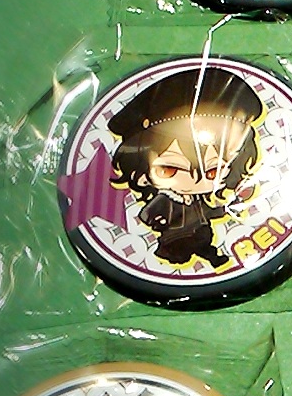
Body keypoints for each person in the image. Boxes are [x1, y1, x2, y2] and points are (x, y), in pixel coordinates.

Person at [108, 67, 263, 268]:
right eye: (169, 170)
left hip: (201, 234)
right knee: (178, 253)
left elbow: (210, 211)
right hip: (175, 239)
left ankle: (209, 255)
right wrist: (158, 221)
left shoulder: (198, 200)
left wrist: (229, 207)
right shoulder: (166, 198)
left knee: (204, 247)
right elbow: (147, 214)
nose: (193, 182)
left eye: (212, 172)